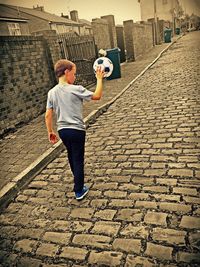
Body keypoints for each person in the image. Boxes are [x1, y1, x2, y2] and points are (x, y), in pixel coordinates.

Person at [45, 59, 104, 200]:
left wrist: (50, 132)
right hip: (76, 130)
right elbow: (97, 95)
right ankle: (79, 190)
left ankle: (77, 180)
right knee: (78, 159)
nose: (75, 77)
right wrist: (99, 79)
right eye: (74, 73)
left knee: (71, 156)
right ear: (66, 72)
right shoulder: (76, 89)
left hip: (63, 131)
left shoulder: (51, 93)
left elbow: (48, 115)